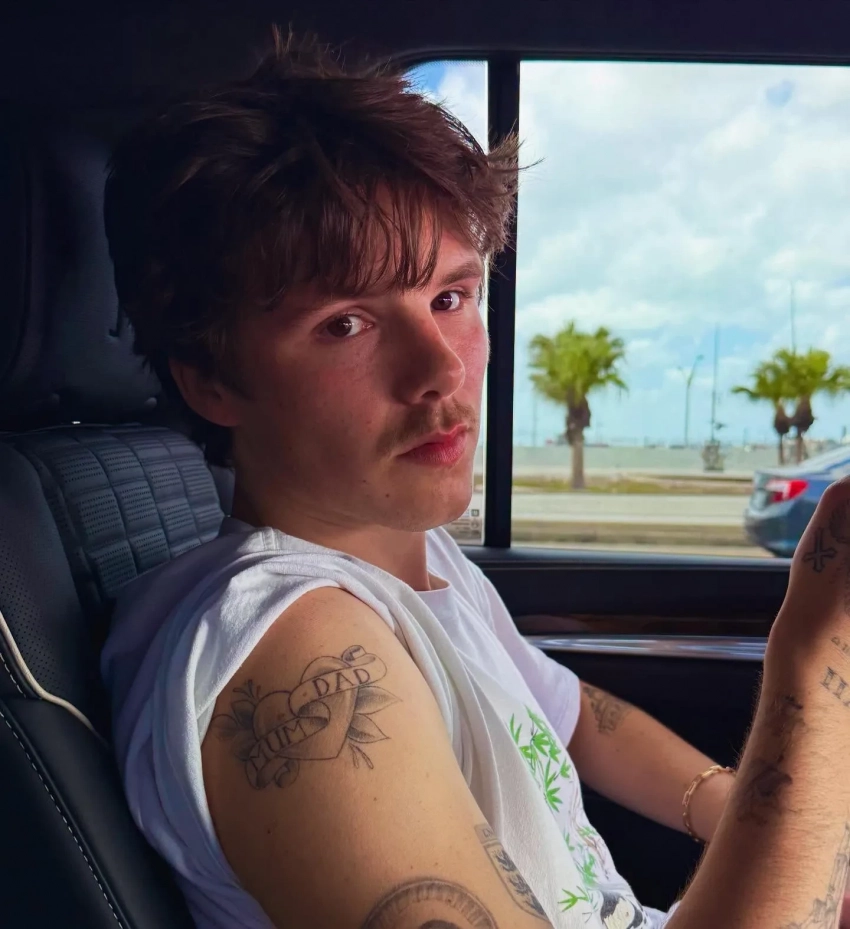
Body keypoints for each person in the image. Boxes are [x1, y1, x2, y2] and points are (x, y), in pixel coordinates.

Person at [100, 29, 850, 929]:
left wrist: (736, 815)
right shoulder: (296, 653)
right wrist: (819, 659)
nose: (442, 369)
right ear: (211, 379)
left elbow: (569, 714)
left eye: (450, 297)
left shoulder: (416, 560)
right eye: (344, 324)